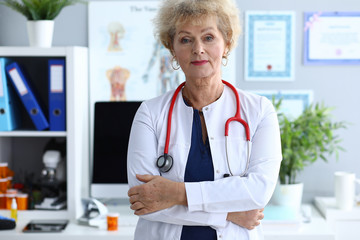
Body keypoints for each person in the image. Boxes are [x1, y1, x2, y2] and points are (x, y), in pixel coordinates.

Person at [127, 0, 282, 239]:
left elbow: (258, 191)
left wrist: (176, 193)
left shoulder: (259, 111)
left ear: (227, 42)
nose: (198, 48)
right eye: (186, 39)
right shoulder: (150, 113)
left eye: (208, 37)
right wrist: (228, 214)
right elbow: (145, 202)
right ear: (172, 48)